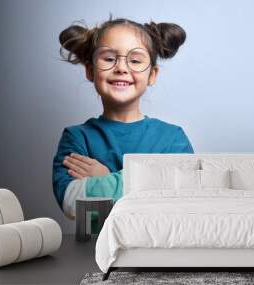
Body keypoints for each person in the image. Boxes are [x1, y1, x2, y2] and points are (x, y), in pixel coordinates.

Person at [52, 17, 194, 231]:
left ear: (152, 74)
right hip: (97, 256)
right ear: (90, 71)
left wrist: (106, 179)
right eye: (109, 58)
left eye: (135, 61)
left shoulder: (173, 138)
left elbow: (182, 201)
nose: (121, 68)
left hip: (162, 255)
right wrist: (152, 183)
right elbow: (72, 201)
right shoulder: (76, 138)